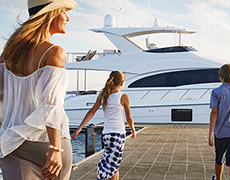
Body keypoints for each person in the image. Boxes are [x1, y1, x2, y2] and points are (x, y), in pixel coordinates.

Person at [0, 0, 77, 179]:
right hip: (48, 145)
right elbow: (51, 105)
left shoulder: (8, 54)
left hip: (13, 144)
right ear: (51, 15)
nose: (67, 18)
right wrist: (55, 149)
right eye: (64, 12)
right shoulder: (54, 53)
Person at [72, 71, 136, 180]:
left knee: (113, 165)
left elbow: (92, 111)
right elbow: (129, 119)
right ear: (121, 83)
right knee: (112, 166)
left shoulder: (103, 96)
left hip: (106, 135)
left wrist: (79, 128)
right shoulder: (123, 97)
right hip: (118, 135)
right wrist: (133, 130)